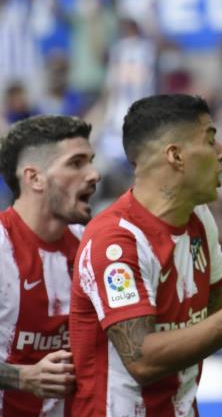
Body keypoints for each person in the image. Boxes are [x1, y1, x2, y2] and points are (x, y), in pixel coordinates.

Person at [69, 94, 222, 416]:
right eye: (211, 139)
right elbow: (141, 359)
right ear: (175, 155)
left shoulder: (198, 217)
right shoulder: (115, 241)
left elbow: (218, 299)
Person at [0, 115, 100, 416]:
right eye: (76, 163)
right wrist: (20, 377)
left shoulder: (92, 245)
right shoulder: (2, 247)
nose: (94, 174)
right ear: (34, 178)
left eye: (91, 161)